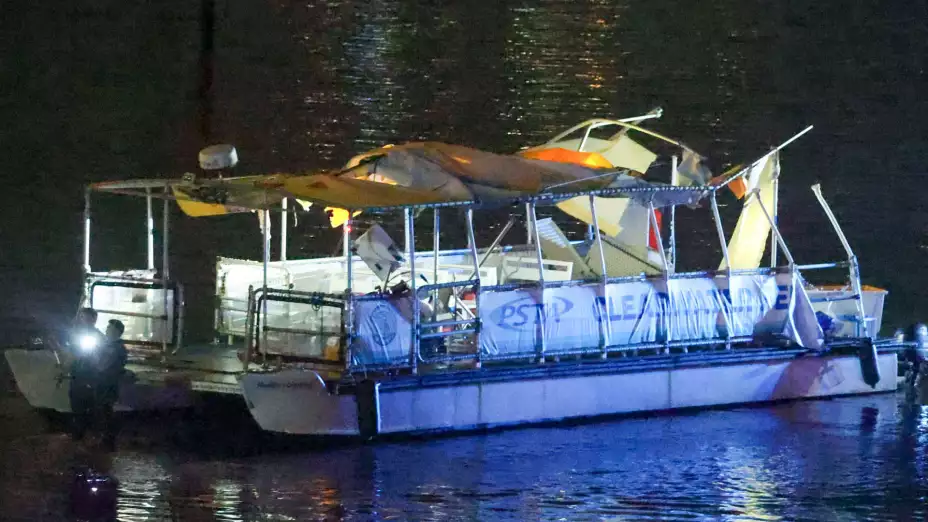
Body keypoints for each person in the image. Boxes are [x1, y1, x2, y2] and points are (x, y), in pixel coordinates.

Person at [68, 315, 127, 449]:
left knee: (105, 412)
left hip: (107, 385)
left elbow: (103, 365)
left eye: (110, 328)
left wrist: (93, 360)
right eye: (107, 327)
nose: (107, 330)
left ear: (117, 331)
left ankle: (108, 441)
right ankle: (97, 438)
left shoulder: (117, 348)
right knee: (98, 411)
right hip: (100, 384)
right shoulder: (106, 345)